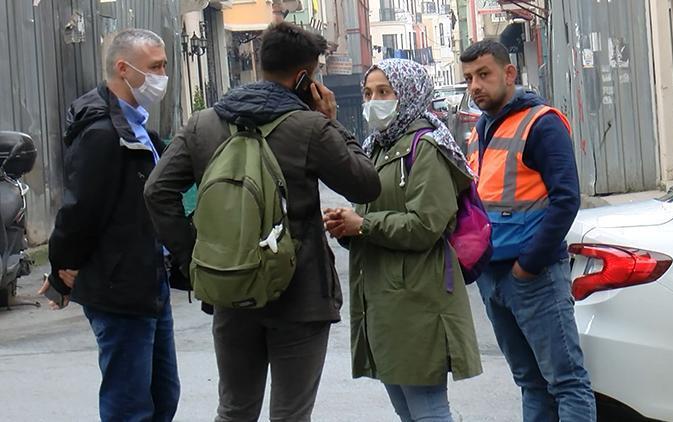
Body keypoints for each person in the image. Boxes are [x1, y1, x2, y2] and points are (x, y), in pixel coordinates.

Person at [143, 22, 381, 422]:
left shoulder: (204, 124)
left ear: (259, 62)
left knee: (234, 410)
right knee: (291, 415)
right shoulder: (310, 127)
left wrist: (194, 256)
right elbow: (366, 184)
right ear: (305, 77)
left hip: (230, 286)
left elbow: (157, 191)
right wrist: (332, 121)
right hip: (301, 293)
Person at [323, 59, 482, 422]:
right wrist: (346, 226)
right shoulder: (376, 146)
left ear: (408, 94)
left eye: (384, 92)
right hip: (384, 297)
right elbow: (367, 215)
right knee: (407, 410)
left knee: (427, 411)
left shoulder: (427, 146)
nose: (373, 101)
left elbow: (426, 224)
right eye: (368, 93)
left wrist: (362, 224)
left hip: (418, 298)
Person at [38, 29, 179, 421]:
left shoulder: (139, 127)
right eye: (155, 67)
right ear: (123, 68)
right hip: (121, 287)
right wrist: (61, 269)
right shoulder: (102, 133)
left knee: (164, 396)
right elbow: (81, 211)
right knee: (130, 405)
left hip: (150, 280)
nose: (162, 76)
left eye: (164, 65)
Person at [459, 39, 596, 421]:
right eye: (469, 77)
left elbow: (566, 200)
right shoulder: (481, 128)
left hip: (532, 276)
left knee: (566, 382)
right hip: (493, 276)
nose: (475, 86)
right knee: (530, 383)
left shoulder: (542, 124)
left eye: (483, 74)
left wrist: (528, 266)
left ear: (509, 74)